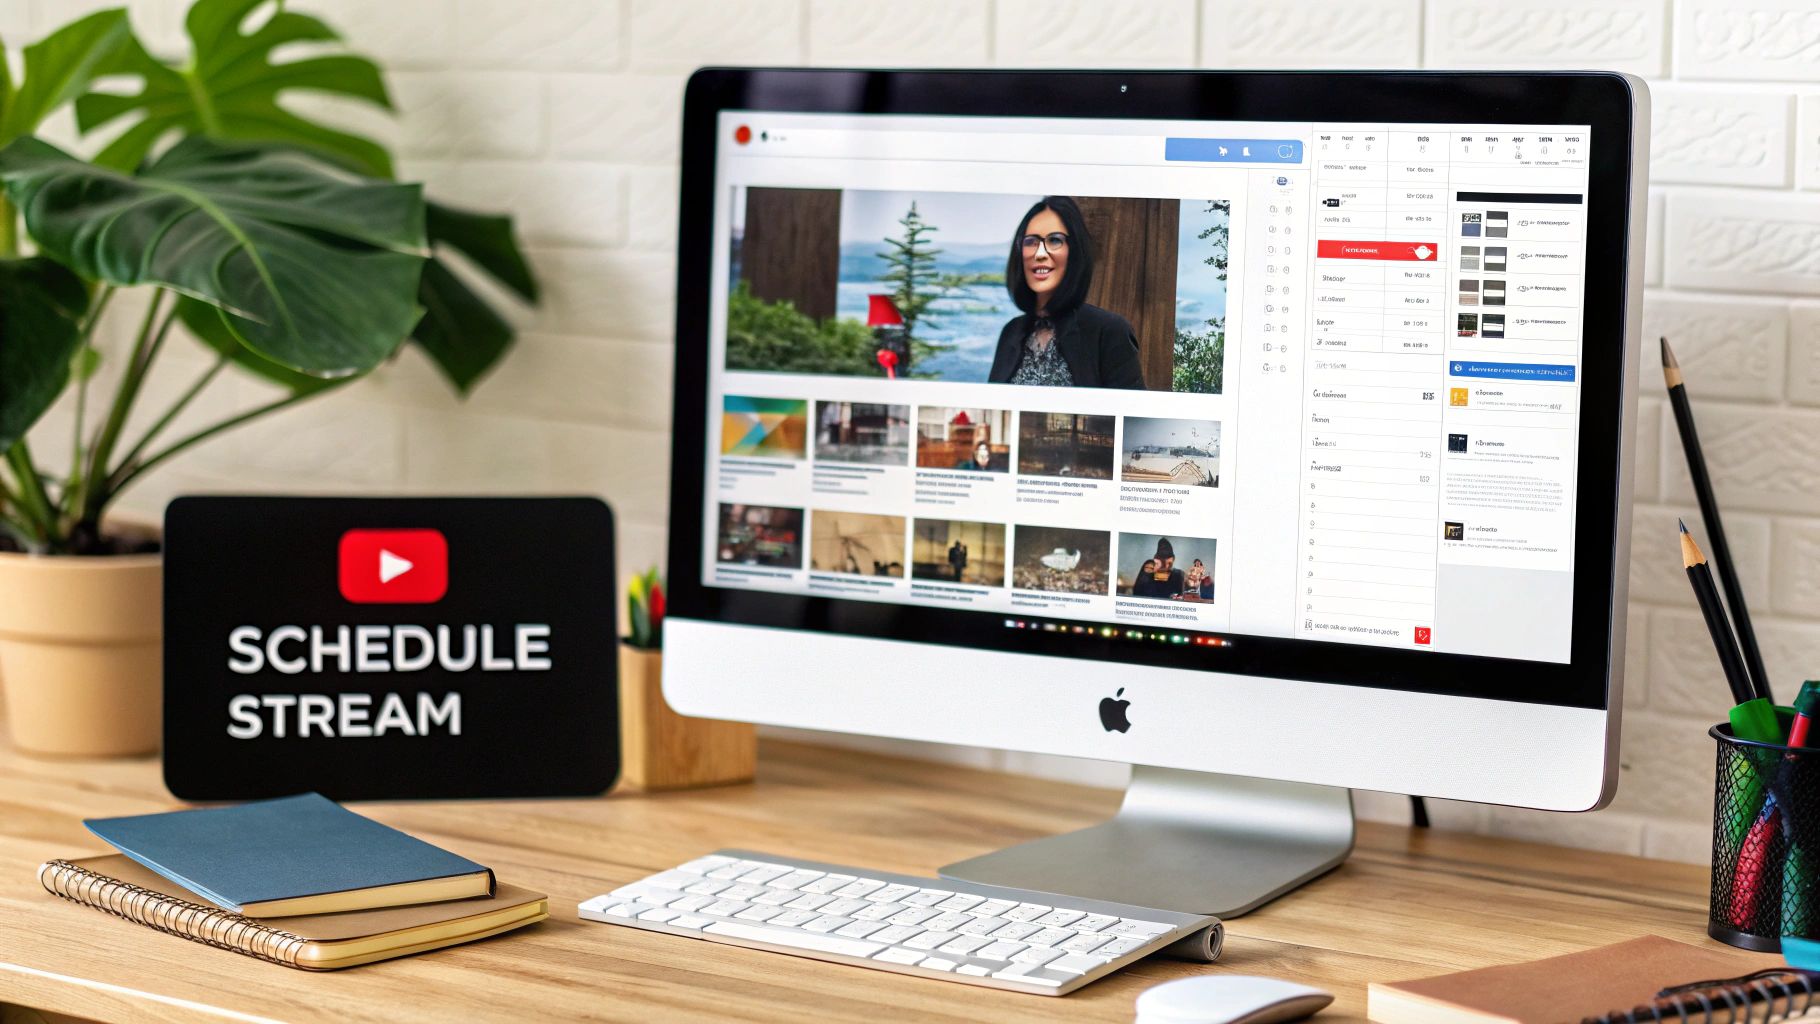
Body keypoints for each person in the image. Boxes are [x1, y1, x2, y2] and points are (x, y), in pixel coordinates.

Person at [989, 196, 1144, 390]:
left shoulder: (1110, 332)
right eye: (1031, 242)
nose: (1040, 253)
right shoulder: (1010, 332)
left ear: (1075, 251)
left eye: (1054, 240)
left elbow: (1131, 418)